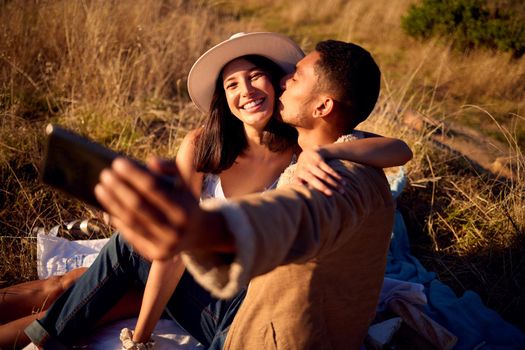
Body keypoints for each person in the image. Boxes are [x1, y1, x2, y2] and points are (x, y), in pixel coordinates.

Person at [23, 35, 402, 349]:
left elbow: (397, 149)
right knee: (73, 280)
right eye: (232, 84)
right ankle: (41, 339)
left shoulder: (307, 154)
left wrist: (326, 152)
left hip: (242, 311)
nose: (252, 90)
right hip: (209, 283)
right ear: (223, 97)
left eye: (263, 77)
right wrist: (141, 338)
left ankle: (43, 340)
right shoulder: (207, 146)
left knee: (112, 259)